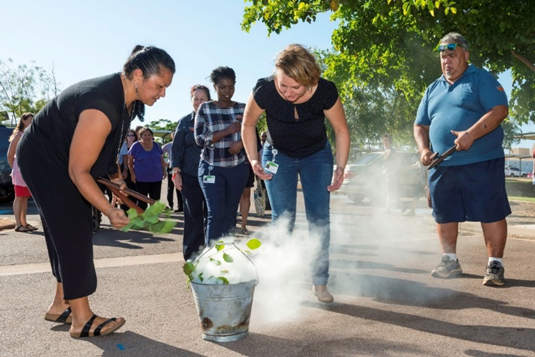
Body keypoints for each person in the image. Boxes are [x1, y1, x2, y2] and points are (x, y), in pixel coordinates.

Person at [17, 45, 175, 338]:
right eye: (161, 85)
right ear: (138, 75)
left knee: (64, 229)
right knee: (74, 228)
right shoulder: (103, 103)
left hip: (59, 157)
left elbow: (106, 148)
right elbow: (78, 171)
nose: (163, 93)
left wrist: (116, 178)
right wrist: (109, 209)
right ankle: (81, 319)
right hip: (46, 159)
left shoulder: (126, 99)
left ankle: (60, 305)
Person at [241, 44, 350, 303]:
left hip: (317, 155)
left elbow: (341, 130)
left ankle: (319, 282)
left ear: (310, 80)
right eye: (283, 85)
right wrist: (253, 159)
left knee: (319, 218)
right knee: (282, 219)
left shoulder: (325, 91)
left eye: (295, 87)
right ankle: (280, 281)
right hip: (278, 155)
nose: (288, 93)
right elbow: (248, 124)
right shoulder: (264, 90)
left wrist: (341, 167)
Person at [414, 32, 510, 286]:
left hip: (482, 160)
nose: (447, 61)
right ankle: (449, 261)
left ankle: (494, 265)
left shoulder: (481, 79)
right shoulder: (433, 88)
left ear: (465, 55)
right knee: (444, 214)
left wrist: (472, 134)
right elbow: (420, 125)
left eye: (452, 55)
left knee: (490, 213)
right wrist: (424, 150)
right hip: (442, 163)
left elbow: (500, 110)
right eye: (443, 56)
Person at [195, 66, 249, 244]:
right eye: (223, 87)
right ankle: (210, 260)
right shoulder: (205, 108)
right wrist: (227, 131)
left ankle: (228, 256)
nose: (228, 91)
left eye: (231, 87)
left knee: (230, 213)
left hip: (237, 168)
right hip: (212, 168)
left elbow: (252, 135)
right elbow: (200, 140)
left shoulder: (243, 108)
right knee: (216, 213)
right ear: (215, 87)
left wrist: (241, 143)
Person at [172, 84, 211, 260]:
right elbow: (177, 149)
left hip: (212, 175)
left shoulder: (215, 120)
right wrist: (176, 173)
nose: (199, 102)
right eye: (196, 98)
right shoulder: (184, 122)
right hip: (189, 174)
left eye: (203, 99)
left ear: (209, 100)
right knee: (193, 215)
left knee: (211, 215)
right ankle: (191, 256)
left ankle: (209, 253)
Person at [7, 112, 37, 233]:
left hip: (27, 170)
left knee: (25, 197)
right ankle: (18, 224)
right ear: (24, 121)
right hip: (19, 170)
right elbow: (10, 155)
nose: (31, 122)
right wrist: (14, 168)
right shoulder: (18, 136)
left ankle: (24, 222)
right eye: (30, 120)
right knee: (19, 197)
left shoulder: (30, 135)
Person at [128, 127, 167, 211]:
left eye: (149, 135)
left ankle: (154, 220)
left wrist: (164, 171)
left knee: (155, 201)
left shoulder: (156, 145)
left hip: (156, 177)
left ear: (152, 136)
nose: (147, 137)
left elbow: (161, 159)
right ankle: (142, 220)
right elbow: (130, 161)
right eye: (145, 135)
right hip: (141, 178)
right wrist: (132, 174)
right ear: (140, 136)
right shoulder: (136, 146)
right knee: (142, 201)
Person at [117, 128, 139, 211]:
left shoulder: (139, 145)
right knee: (124, 190)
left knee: (135, 192)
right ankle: (124, 210)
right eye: (128, 135)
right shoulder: (123, 145)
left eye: (133, 135)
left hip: (136, 170)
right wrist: (125, 170)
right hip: (124, 170)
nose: (131, 137)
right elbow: (123, 158)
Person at [162, 131, 183, 212]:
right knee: (170, 187)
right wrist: (164, 163)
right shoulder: (168, 145)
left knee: (179, 187)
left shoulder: (182, 144)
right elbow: (160, 153)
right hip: (171, 168)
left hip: (180, 168)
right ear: (171, 136)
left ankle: (180, 206)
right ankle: (170, 205)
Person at [381, 134, 400, 214]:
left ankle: (388, 209)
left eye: (386, 140)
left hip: (391, 174)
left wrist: (394, 171)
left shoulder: (392, 151)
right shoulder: (386, 150)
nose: (384, 142)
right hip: (387, 173)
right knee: (389, 191)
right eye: (383, 140)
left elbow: (398, 161)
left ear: (390, 141)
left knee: (389, 191)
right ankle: (402, 206)